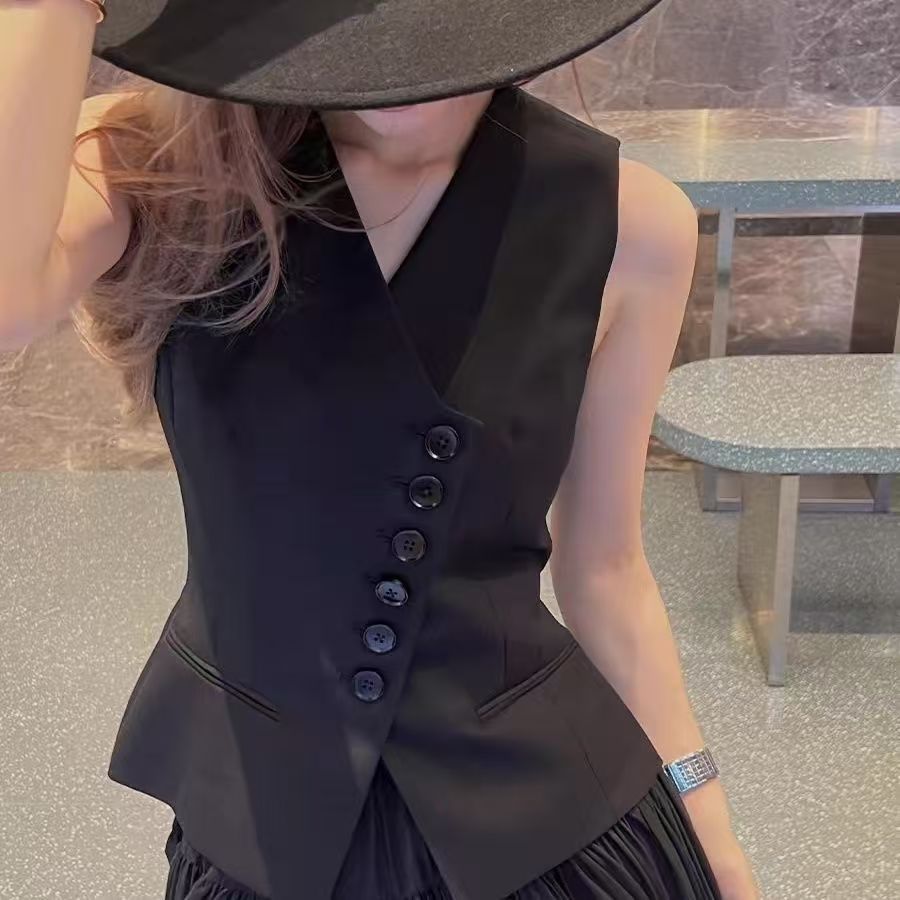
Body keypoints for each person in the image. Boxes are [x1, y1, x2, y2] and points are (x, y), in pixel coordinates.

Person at [1, 1, 760, 898]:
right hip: (260, 820)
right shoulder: (158, 167)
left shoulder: (630, 220)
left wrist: (708, 816)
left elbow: (607, 566)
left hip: (554, 831)